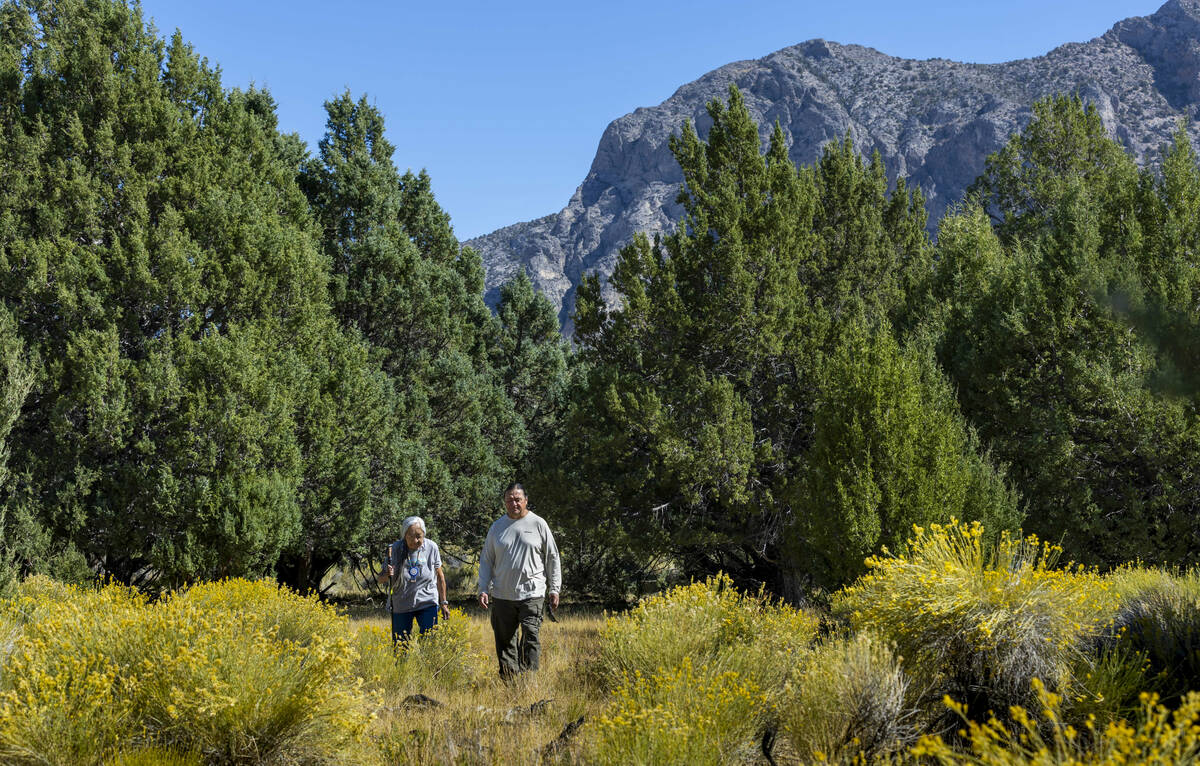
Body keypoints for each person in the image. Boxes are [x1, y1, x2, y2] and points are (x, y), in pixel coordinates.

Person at [478, 482, 561, 678]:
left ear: (526, 500)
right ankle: (510, 681)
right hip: (502, 594)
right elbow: (486, 560)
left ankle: (529, 679)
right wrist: (483, 588)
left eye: (517, 499)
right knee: (505, 640)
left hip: (532, 593)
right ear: (505, 502)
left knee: (530, 636)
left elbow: (552, 557)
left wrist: (554, 588)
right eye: (509, 500)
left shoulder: (538, 524)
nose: (514, 503)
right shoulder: (497, 527)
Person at [378, 516, 450, 643]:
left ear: (424, 534)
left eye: (419, 536)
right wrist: (387, 574)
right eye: (410, 536)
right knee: (401, 644)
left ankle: (428, 663)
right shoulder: (394, 549)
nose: (415, 540)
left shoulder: (432, 547)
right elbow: (380, 579)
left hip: (427, 600)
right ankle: (402, 663)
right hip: (402, 602)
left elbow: (440, 576)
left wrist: (444, 603)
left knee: (429, 641)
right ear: (404, 535)